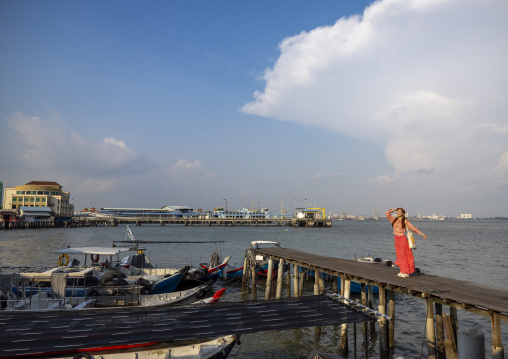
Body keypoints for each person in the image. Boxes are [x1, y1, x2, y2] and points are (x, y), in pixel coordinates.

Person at [385, 208, 427, 277]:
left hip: (402, 239)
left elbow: (413, 228)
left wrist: (421, 233)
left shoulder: (405, 221)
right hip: (396, 239)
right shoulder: (394, 219)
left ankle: (405, 272)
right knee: (399, 256)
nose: (398, 213)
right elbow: (387, 213)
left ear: (403, 214)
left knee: (404, 255)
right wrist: (394, 210)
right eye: (397, 212)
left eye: (399, 212)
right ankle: (402, 271)